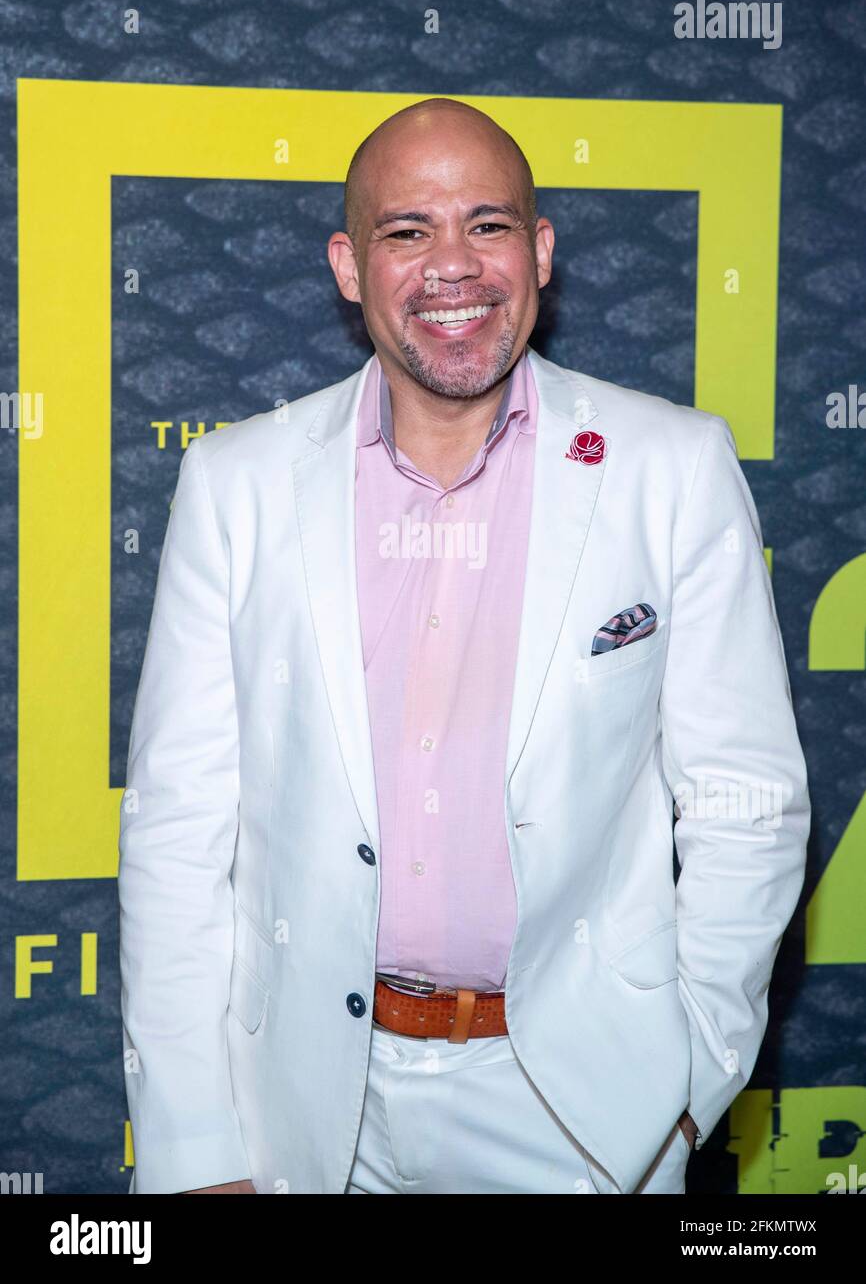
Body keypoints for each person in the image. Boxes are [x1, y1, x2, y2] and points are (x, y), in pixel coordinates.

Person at [118, 97, 810, 1195]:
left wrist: (682, 1093)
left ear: (538, 252)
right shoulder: (236, 485)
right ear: (349, 266)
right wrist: (197, 1147)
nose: (452, 265)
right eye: (407, 231)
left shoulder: (666, 467)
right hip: (299, 1111)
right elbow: (178, 834)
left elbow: (745, 800)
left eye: (487, 225)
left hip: (580, 1114)